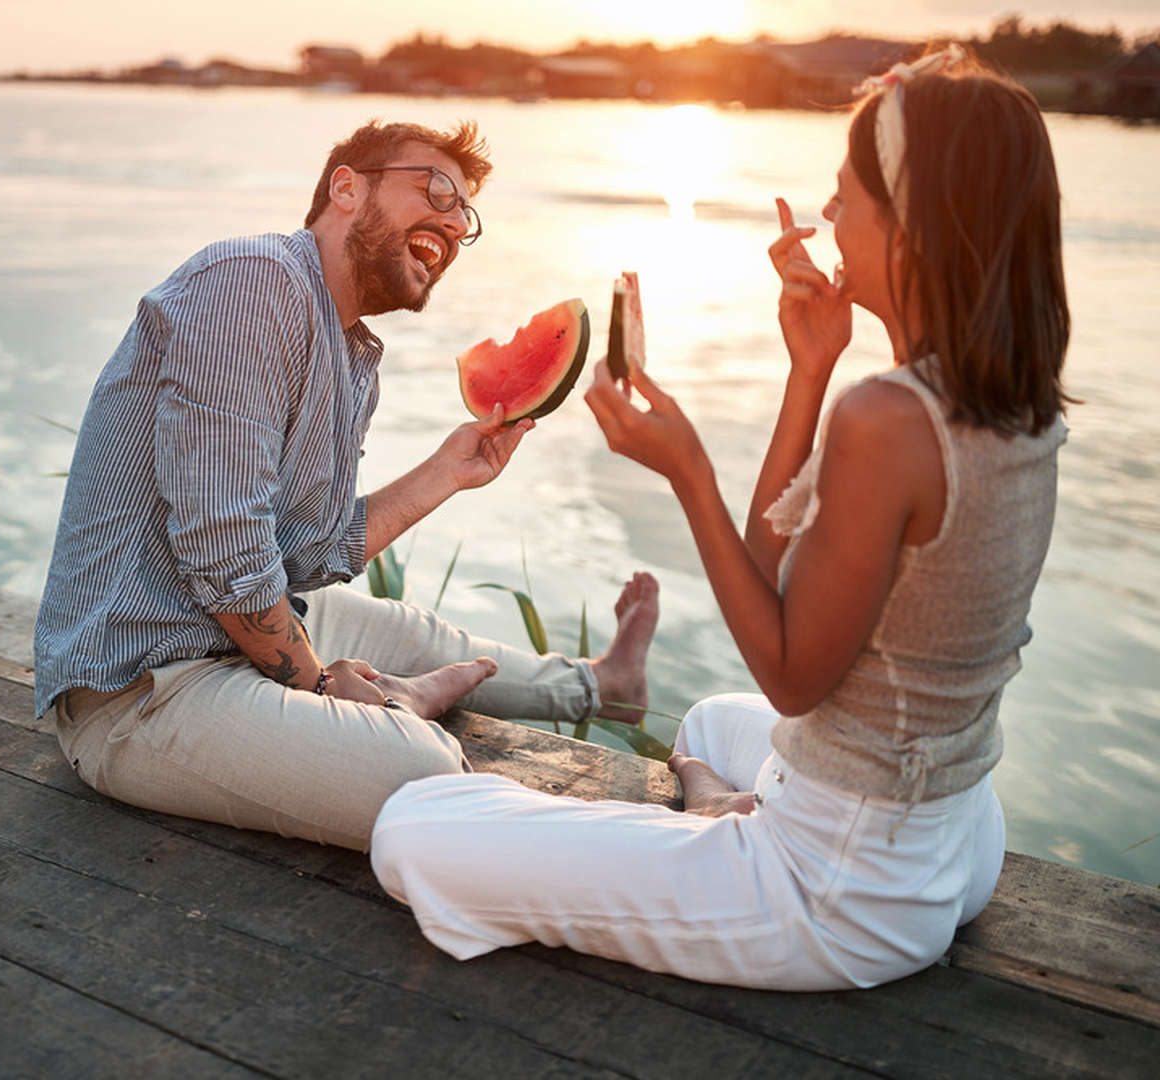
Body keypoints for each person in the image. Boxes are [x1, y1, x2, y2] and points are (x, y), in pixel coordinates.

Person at [371, 46, 1071, 990]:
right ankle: (712, 800)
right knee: (703, 722)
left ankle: (712, 830)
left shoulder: (891, 419)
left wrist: (688, 473)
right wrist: (811, 368)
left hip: (837, 893)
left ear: (912, 225)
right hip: (952, 833)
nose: (828, 218)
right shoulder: (1007, 401)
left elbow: (789, 676)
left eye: (848, 195)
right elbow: (776, 574)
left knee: (411, 832)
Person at [32, 119, 659, 852]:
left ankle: (603, 684)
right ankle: (650, 839)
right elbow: (225, 551)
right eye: (435, 190)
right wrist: (322, 683)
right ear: (346, 187)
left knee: (409, 632)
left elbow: (310, 552)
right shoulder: (252, 282)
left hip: (222, 642)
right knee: (420, 773)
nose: (455, 224)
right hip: (140, 692)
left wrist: (447, 473)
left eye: (465, 216)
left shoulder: (350, 351)